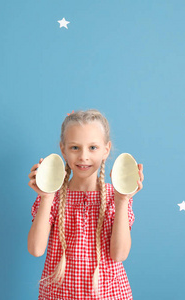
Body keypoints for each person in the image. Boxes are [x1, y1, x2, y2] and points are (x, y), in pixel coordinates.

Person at [27, 109, 144, 299]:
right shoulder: (53, 197)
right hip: (59, 294)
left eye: (92, 148)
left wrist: (122, 200)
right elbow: (35, 249)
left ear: (106, 149)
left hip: (110, 294)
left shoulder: (115, 196)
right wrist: (46, 196)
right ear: (63, 149)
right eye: (75, 148)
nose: (83, 156)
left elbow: (119, 254)